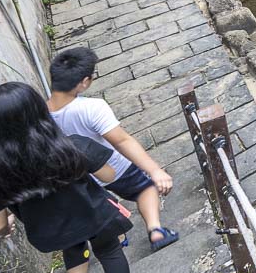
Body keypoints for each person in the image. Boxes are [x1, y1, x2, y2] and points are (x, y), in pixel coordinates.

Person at [0, 82, 150, 273]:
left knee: (73, 246)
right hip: (93, 215)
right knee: (109, 250)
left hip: (50, 231)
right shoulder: (70, 146)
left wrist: (6, 224)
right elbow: (109, 175)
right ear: (38, 114)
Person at [47, 47, 179, 252]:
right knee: (146, 189)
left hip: (81, 177)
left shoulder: (40, 114)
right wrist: (154, 170)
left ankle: (118, 238)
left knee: (104, 202)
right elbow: (121, 140)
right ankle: (156, 231)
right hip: (113, 167)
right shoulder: (92, 108)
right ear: (84, 82)